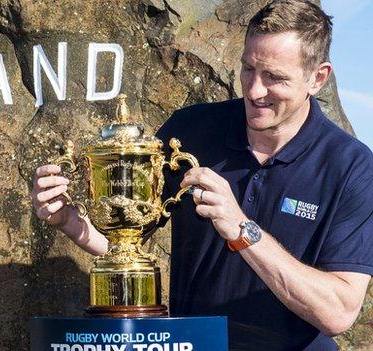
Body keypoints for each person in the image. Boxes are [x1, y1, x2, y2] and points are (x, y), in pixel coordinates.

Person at [30, 0, 373, 350]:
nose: (254, 91)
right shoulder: (189, 131)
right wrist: (69, 221)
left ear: (318, 77)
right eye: (248, 69)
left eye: (274, 77)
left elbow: (339, 313)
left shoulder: (352, 167)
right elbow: (126, 246)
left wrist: (243, 231)